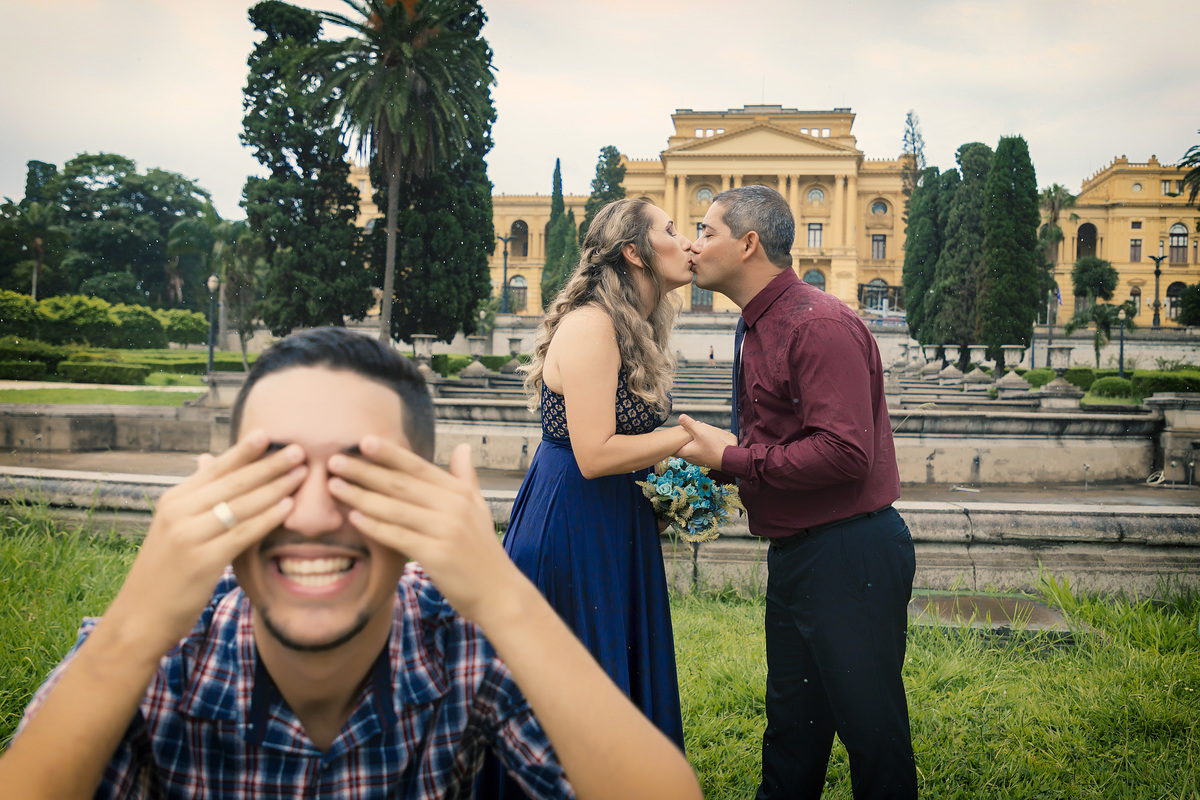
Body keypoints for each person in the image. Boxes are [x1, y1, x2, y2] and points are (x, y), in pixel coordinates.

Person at [2, 327, 702, 800]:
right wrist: (129, 633)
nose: (310, 517)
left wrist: (503, 598)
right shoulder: (149, 654)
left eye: (359, 473)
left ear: (424, 499)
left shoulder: (467, 647)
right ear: (217, 484)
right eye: (273, 470)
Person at [676, 185, 917, 799]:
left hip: (848, 553)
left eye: (705, 232)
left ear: (748, 243)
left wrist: (731, 456)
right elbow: (787, 436)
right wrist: (717, 464)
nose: (693, 245)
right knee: (791, 730)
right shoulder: (762, 322)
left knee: (873, 736)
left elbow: (843, 452)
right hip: (801, 553)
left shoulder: (817, 323)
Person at [478, 198, 696, 798]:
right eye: (670, 230)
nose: (686, 241)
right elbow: (594, 452)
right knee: (575, 680)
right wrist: (686, 440)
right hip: (572, 521)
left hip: (609, 519)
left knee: (606, 672)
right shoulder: (594, 324)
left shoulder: (635, 324)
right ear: (634, 252)